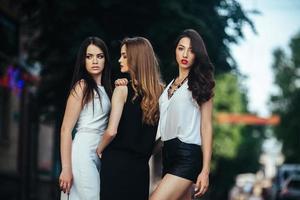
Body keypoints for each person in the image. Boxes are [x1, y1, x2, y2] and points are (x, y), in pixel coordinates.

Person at [150, 29, 215, 200]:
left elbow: (207, 127)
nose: (185, 54)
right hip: (168, 154)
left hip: (187, 154)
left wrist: (205, 171)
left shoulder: (201, 84)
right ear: (175, 51)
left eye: (191, 50)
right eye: (181, 48)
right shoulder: (168, 86)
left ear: (197, 54)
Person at [96, 37, 164, 200]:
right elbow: (162, 140)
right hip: (140, 169)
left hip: (115, 164)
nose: (120, 60)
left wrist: (98, 149)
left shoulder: (122, 90)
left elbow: (111, 131)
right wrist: (146, 153)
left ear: (137, 58)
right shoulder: (162, 94)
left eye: (125, 56)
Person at [59, 37, 112, 200]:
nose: (95, 61)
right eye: (89, 57)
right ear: (83, 60)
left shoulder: (107, 90)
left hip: (98, 153)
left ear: (105, 60)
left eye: (100, 56)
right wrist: (66, 168)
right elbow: (66, 129)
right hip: (82, 152)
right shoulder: (82, 86)